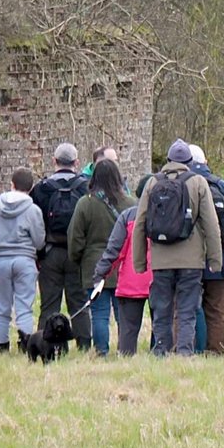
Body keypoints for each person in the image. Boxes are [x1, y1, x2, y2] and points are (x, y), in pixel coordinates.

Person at [132, 139, 221, 356]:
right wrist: (215, 260)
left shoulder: (153, 183)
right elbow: (211, 223)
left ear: (168, 160)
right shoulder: (198, 182)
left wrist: (140, 262)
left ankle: (161, 351)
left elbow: (140, 224)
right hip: (191, 260)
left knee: (162, 309)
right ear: (189, 162)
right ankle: (184, 353)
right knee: (187, 310)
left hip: (161, 260)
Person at [68, 159, 134, 355]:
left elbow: (75, 239)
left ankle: (101, 352)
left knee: (99, 314)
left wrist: (78, 260)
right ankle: (126, 350)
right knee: (123, 315)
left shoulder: (85, 204)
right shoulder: (131, 203)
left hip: (94, 266)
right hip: (123, 266)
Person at [30, 143, 90, 346]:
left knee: (49, 304)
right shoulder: (85, 187)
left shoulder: (41, 189)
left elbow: (35, 223)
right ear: (77, 162)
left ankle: (43, 344)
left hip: (49, 252)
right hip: (78, 254)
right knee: (79, 304)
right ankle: (84, 345)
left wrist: (38, 254)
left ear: (54, 161)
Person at [187, 144, 224, 354]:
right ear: (206, 162)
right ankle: (217, 349)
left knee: (192, 305)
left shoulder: (185, 185)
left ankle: (195, 348)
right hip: (221, 257)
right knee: (216, 309)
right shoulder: (223, 186)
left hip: (190, 258)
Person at [0, 167, 45, 353]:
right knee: (24, 307)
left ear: (11, 184)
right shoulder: (33, 210)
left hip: (1, 261)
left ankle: (1, 346)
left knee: (2, 307)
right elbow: (39, 241)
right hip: (25, 261)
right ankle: (25, 345)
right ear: (31, 188)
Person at [93, 204, 152, 355]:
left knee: (128, 329)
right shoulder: (170, 211)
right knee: (162, 325)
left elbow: (115, 250)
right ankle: (160, 357)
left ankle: (126, 356)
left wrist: (100, 274)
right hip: (161, 278)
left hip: (132, 279)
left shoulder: (128, 216)